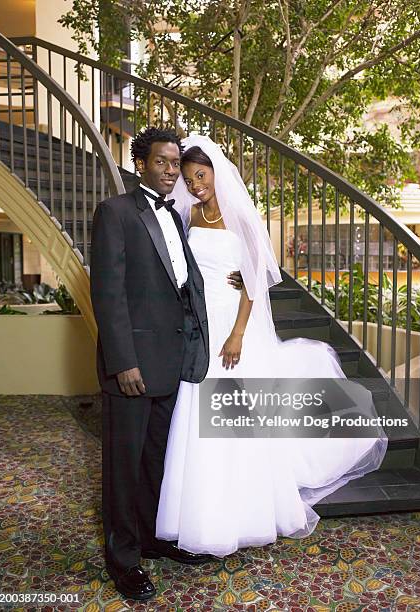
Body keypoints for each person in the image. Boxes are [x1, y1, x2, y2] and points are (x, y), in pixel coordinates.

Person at [156, 135, 388, 558]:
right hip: (201, 325)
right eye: (189, 179)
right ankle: (196, 512)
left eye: (201, 175)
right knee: (195, 412)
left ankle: (244, 514)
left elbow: (256, 276)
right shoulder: (187, 214)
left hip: (233, 327)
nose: (196, 184)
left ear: (217, 172)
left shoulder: (240, 216)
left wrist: (238, 333)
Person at [90, 128, 242, 601]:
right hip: (133, 366)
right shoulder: (115, 213)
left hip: (173, 361)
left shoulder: (177, 218)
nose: (171, 171)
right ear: (141, 163)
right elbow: (108, 294)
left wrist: (239, 286)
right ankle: (123, 559)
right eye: (162, 162)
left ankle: (152, 539)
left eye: (176, 163)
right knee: (123, 464)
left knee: (155, 458)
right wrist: (123, 362)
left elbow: (184, 285)